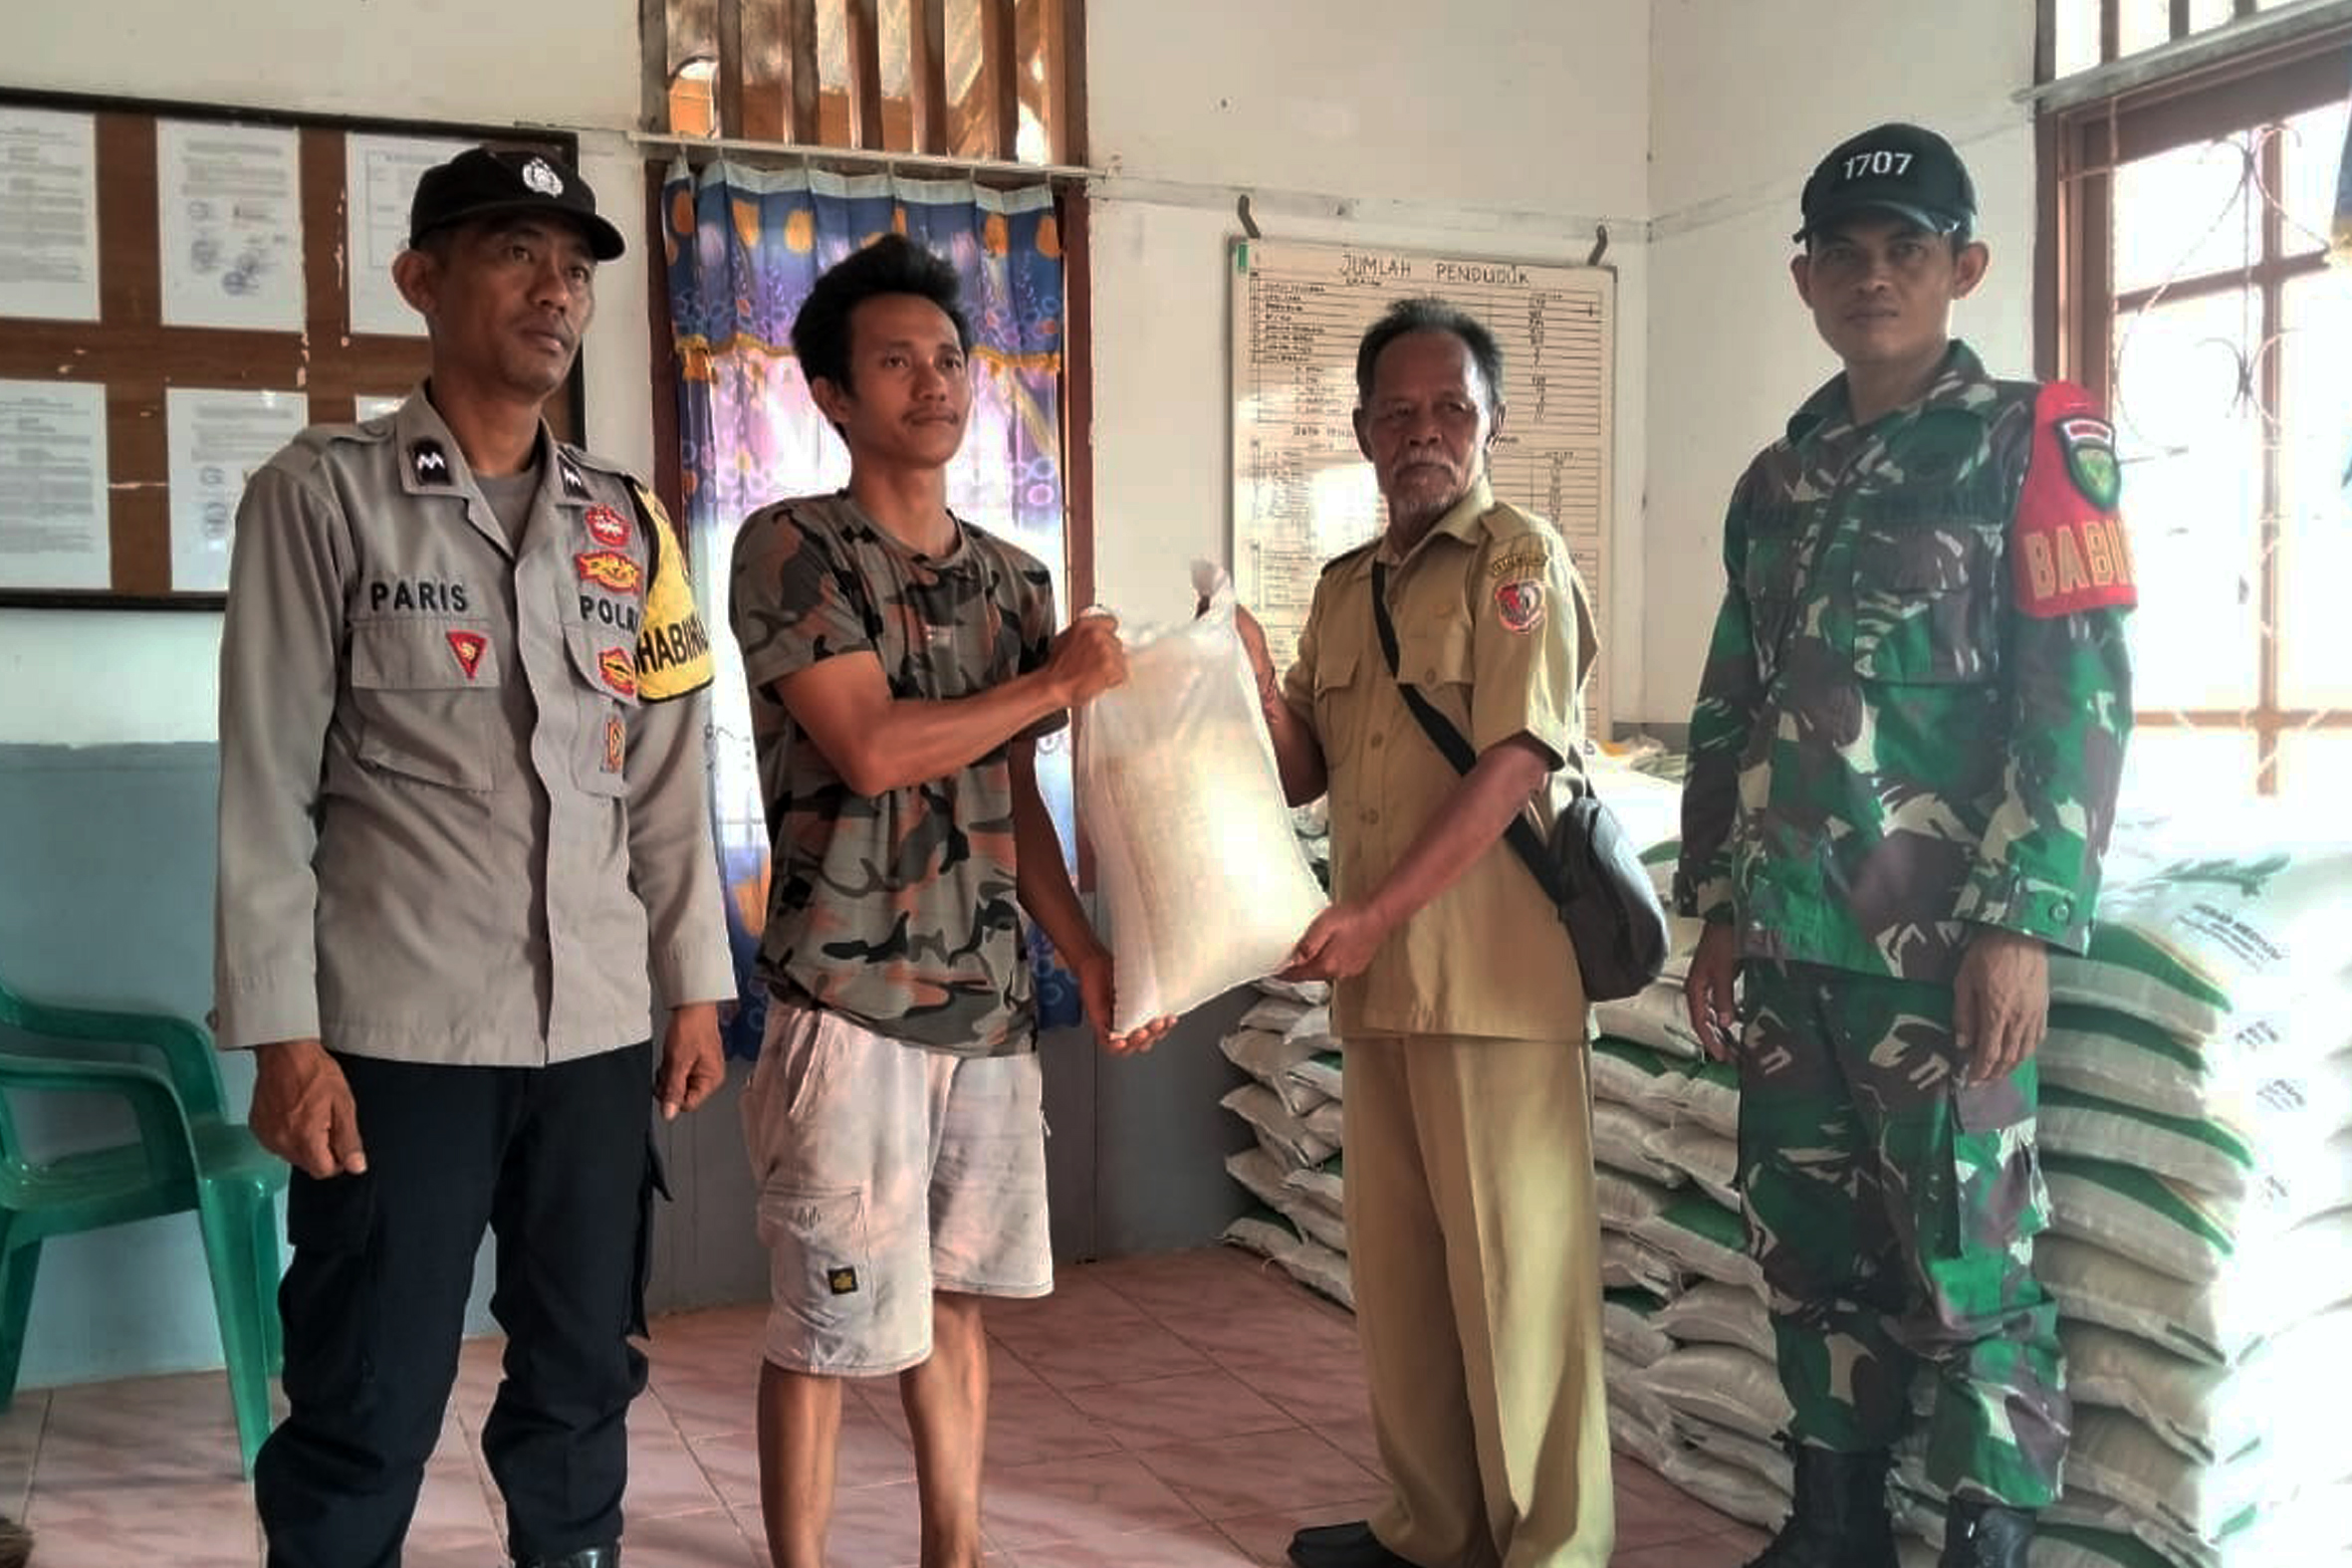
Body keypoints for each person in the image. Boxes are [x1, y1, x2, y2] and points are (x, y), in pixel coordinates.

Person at [214, 145, 736, 1568]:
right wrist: (283, 1037)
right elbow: (264, 786)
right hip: (401, 1039)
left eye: (572, 268)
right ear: (420, 280)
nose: (553, 291)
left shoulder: (628, 523)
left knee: (582, 1375)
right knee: (367, 1388)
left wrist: (694, 983)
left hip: (594, 1036)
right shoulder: (322, 497)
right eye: (515, 254)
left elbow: (668, 774)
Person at [1674, 123, 2136, 1568]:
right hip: (1791, 936)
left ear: (1963, 267)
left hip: (1935, 947)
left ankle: (1984, 1536)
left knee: (1966, 1257)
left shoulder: (2029, 440)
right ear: (1803, 277)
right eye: (1845, 254)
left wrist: (2022, 919)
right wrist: (1720, 905)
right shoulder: (1776, 478)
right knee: (1804, 1242)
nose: (1872, 277)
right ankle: (1835, 1522)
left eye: (1906, 251)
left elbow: (2079, 693)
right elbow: (1733, 701)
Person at [725, 234, 1172, 1568]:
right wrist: (1054, 684)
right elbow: (872, 747)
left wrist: (1083, 950)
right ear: (830, 394)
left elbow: (1009, 794)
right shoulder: (790, 546)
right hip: (847, 995)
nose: (933, 382)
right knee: (826, 1320)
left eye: (950, 358)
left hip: (985, 999)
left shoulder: (1015, 581)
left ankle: (954, 1548)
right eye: (895, 361)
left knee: (956, 1298)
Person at [1229, 296, 1613, 1568]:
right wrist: (1245, 679)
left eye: (1450, 407)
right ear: (1361, 432)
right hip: (1380, 989)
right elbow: (1304, 771)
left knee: (1518, 1287)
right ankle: (1432, 1529)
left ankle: (1549, 1549)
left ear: (1490, 421)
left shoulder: (1516, 562)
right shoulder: (1345, 590)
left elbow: (1514, 762)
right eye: (1396, 412)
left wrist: (1375, 912)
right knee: (1401, 1284)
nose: (1423, 432)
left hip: (1494, 984)